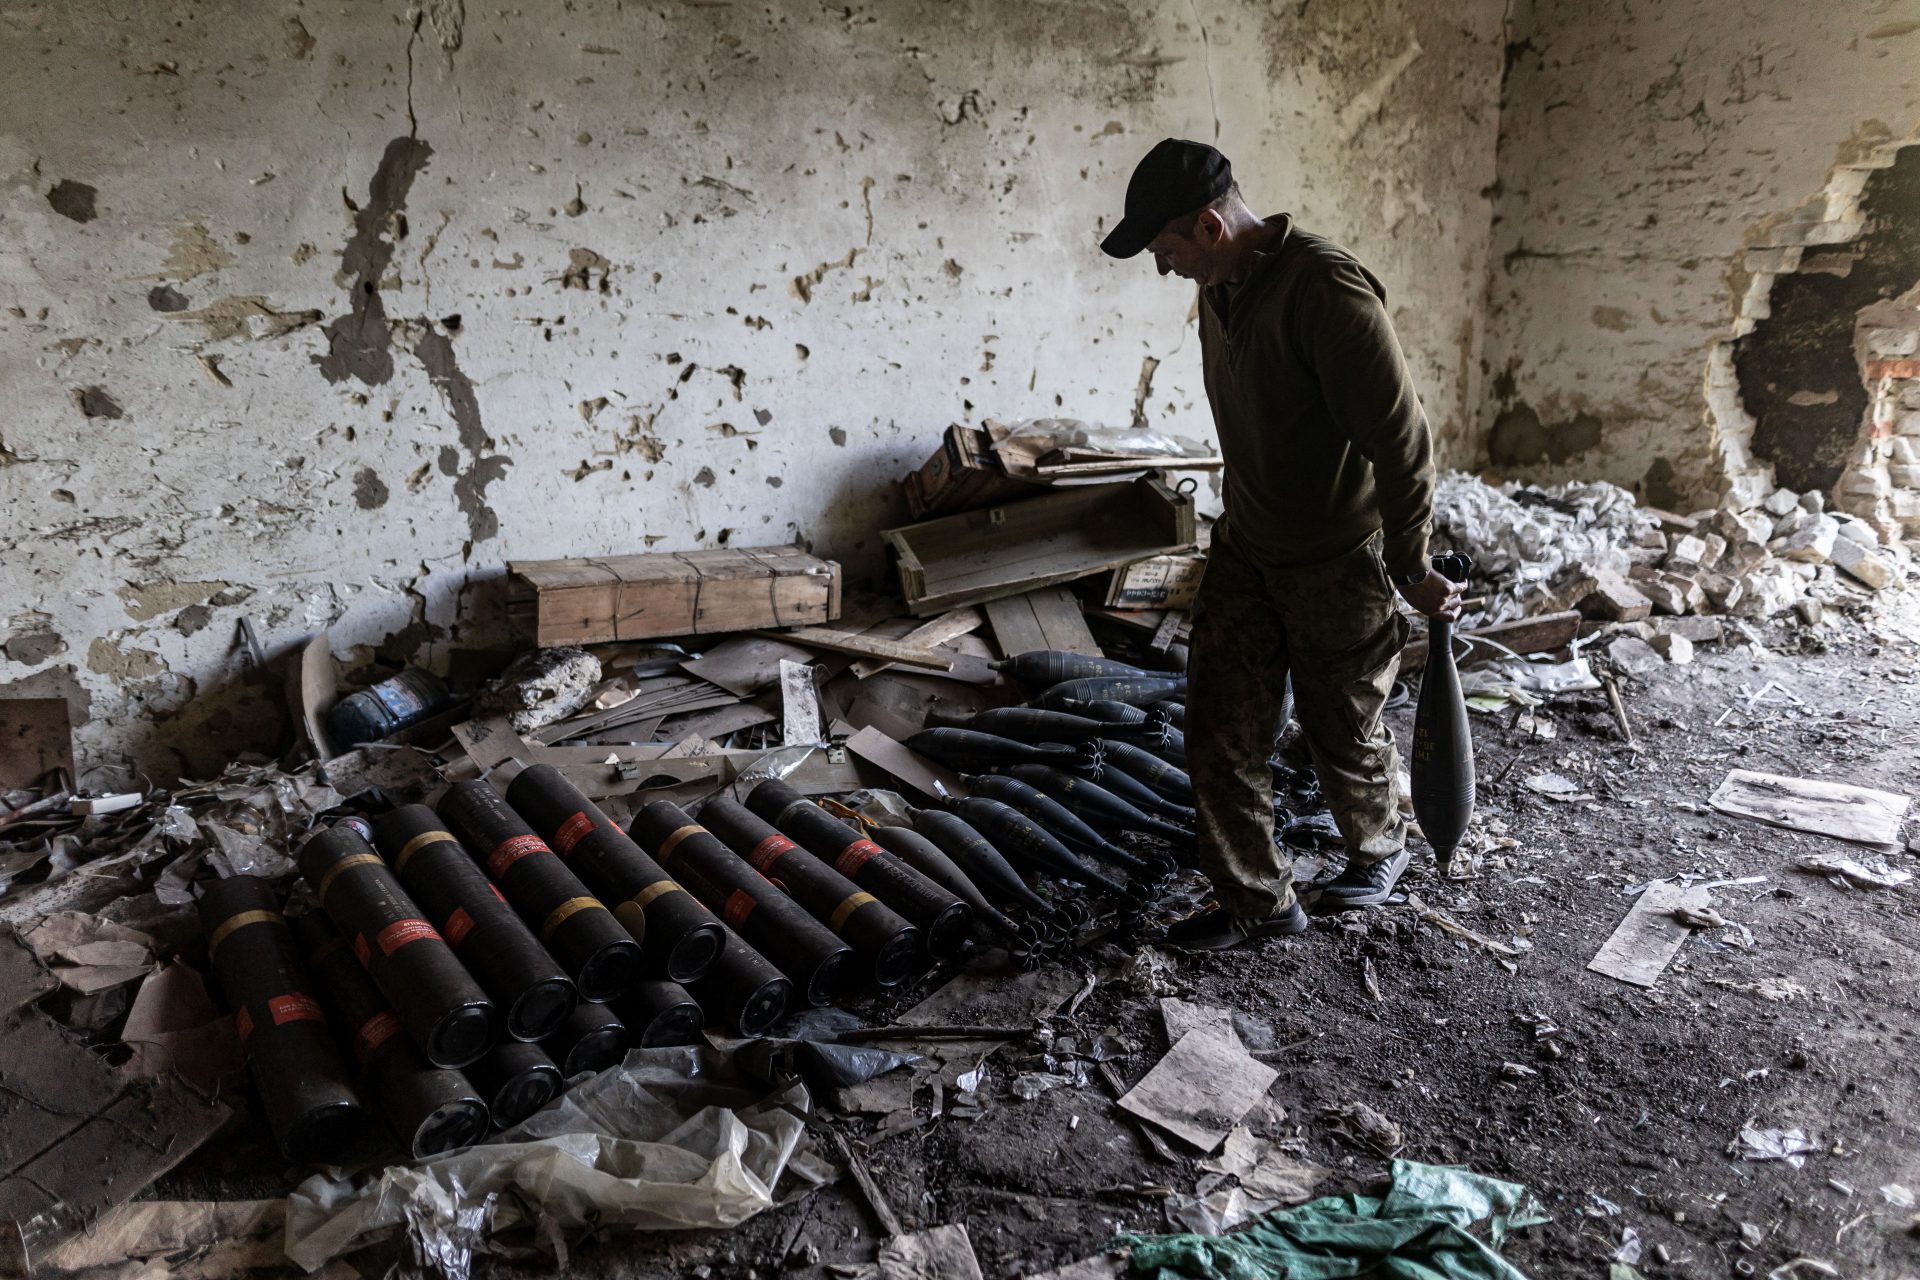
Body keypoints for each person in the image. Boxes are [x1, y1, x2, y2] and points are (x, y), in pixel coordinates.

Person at [1100, 138, 1462, 950]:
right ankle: (1257, 903)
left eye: (1166, 250)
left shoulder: (1326, 290)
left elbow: (1403, 443)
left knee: (1342, 727)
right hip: (1247, 550)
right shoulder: (1220, 291)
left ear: (1209, 223)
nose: (1163, 269)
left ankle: (1377, 851)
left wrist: (1410, 564)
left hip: (1338, 561)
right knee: (1220, 730)